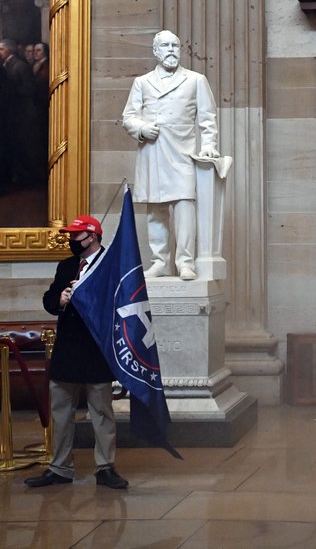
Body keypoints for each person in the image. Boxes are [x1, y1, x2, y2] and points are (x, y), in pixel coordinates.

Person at [24, 216, 129, 489]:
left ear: (92, 237)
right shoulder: (67, 265)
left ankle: (105, 467)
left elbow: (122, 304)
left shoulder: (111, 265)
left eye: (77, 236)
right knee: (61, 411)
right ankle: (60, 468)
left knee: (101, 412)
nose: (72, 240)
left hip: (97, 348)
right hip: (68, 348)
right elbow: (49, 299)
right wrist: (60, 299)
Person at [121, 30, 219, 281]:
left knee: (185, 205)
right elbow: (128, 117)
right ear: (155, 51)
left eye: (175, 45)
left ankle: (185, 261)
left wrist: (209, 145)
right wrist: (142, 128)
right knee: (156, 209)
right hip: (152, 152)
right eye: (165, 46)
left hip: (182, 152)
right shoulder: (142, 82)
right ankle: (160, 261)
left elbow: (208, 119)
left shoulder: (195, 80)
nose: (171, 50)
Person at [0, 37, 41, 186]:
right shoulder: (7, 65)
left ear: (9, 49)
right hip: (11, 114)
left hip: (21, 113)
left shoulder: (20, 66)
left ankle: (28, 179)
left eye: (1, 49)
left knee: (24, 147)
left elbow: (29, 89)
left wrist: (11, 92)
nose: (0, 52)